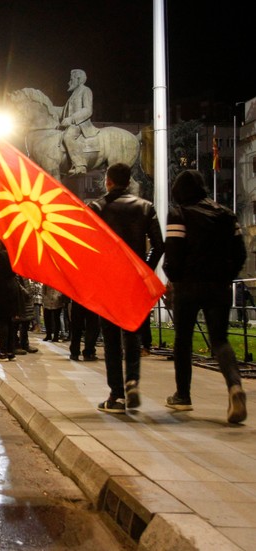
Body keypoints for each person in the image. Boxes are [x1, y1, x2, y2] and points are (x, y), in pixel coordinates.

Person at [163, 170, 247, 423]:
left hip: (188, 286)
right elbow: (240, 253)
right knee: (220, 339)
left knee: (183, 340)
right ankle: (234, 385)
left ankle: (183, 395)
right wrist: (227, 275)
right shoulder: (227, 215)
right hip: (219, 285)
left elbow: (173, 252)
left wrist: (174, 278)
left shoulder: (179, 213)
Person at [90, 162, 163, 414]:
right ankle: (132, 380)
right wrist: (145, 269)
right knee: (131, 331)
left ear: (108, 181)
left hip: (109, 279)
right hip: (134, 279)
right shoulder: (145, 207)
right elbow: (159, 245)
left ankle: (116, 394)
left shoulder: (97, 208)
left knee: (110, 338)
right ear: (129, 181)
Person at [58, 69, 99, 176]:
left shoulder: (86, 90)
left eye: (71, 80)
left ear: (79, 79)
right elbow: (63, 111)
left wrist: (71, 119)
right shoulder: (73, 94)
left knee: (68, 136)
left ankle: (80, 165)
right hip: (71, 124)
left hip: (80, 124)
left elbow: (88, 110)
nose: (69, 82)